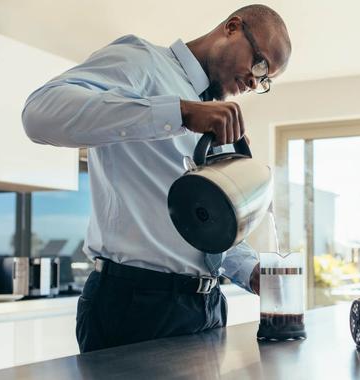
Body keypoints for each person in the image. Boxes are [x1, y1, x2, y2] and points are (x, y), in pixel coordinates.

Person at [21, 4, 291, 353]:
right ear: (232, 27)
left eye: (265, 80)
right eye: (259, 64)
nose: (256, 81)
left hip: (207, 309)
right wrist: (179, 111)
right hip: (134, 306)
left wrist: (250, 270)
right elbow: (39, 114)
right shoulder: (142, 62)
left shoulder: (218, 118)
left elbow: (208, 230)